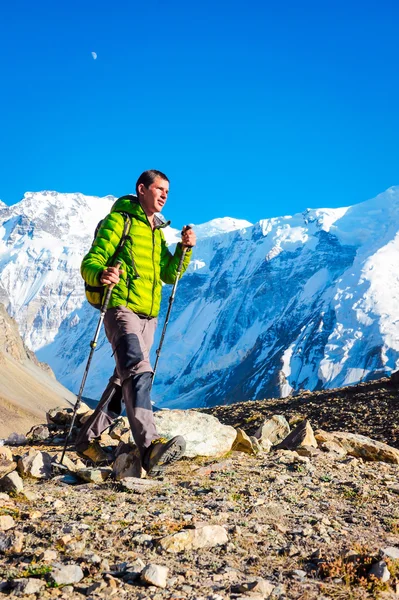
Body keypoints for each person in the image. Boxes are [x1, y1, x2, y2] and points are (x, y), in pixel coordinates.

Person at [75, 169, 196, 476]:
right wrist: (102, 275)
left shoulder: (157, 231)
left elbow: (169, 274)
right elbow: (91, 261)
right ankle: (151, 445)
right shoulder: (120, 221)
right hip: (122, 309)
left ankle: (86, 439)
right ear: (141, 189)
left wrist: (184, 249)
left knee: (122, 380)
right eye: (160, 188)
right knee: (138, 369)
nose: (165, 194)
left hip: (149, 315)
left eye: (168, 190)